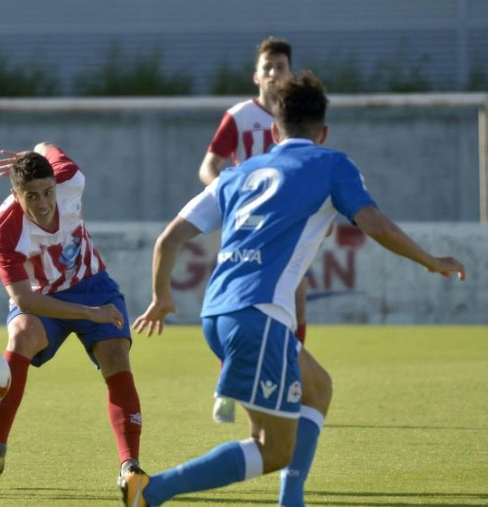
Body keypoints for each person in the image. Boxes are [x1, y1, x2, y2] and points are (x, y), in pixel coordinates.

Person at [122, 71, 465, 506]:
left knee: (318, 386)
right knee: (271, 448)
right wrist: (431, 260)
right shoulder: (330, 163)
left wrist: (162, 297)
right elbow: (373, 223)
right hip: (259, 315)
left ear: (273, 129)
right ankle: (153, 490)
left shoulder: (237, 174)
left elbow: (167, 239)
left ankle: (291, 498)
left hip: (221, 312)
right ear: (323, 132)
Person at [0, 142, 144, 482]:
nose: (45, 203)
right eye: (32, 196)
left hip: (92, 281)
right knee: (21, 335)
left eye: (48, 192)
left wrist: (30, 153)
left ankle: (130, 465)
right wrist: (89, 314)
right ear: (16, 196)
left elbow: (48, 146)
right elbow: (24, 300)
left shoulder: (71, 180)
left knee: (116, 355)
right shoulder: (5, 230)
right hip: (41, 296)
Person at [198, 36, 306, 424]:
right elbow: (208, 166)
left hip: (288, 221)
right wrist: (230, 196)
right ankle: (229, 382)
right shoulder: (240, 116)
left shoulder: (298, 116)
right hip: (250, 224)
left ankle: (288, 380)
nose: (275, 73)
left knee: (297, 294)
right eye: (268, 67)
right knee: (240, 301)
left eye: (281, 66)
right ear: (256, 75)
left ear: (290, 72)